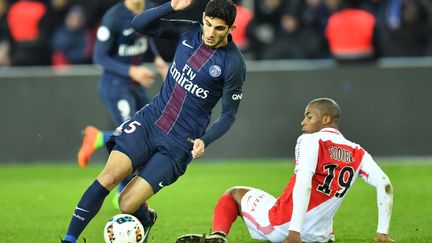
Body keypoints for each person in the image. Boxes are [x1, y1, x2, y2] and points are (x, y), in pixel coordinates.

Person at [62, 0, 246, 242]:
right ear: (203, 18)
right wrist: (171, 6)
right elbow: (139, 23)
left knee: (127, 204)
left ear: (231, 29)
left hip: (179, 143)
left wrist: (205, 139)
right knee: (108, 177)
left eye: (219, 29)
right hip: (150, 121)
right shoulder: (189, 30)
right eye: (208, 24)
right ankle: (69, 239)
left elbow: (229, 114)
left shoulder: (233, 64)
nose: (210, 33)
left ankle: (146, 217)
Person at [176, 98, 394, 243]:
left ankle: (218, 235)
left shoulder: (311, 141)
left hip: (284, 225)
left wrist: (294, 232)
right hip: (319, 235)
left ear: (325, 119)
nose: (303, 122)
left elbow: (304, 184)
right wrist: (382, 232)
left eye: (309, 116)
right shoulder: (358, 152)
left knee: (234, 194)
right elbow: (385, 184)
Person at [76, 0, 168, 208]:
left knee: (151, 131)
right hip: (115, 86)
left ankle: (99, 139)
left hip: (135, 86)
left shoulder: (148, 9)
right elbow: (99, 56)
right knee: (132, 139)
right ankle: (120, 189)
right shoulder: (114, 17)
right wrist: (131, 70)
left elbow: (145, 38)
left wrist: (158, 60)